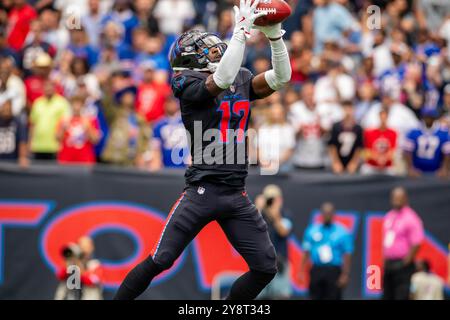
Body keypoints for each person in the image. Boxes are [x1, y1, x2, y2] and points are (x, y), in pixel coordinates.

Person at [114, 0, 292, 300]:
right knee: (162, 259)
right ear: (191, 58)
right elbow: (220, 80)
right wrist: (240, 34)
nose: (215, 49)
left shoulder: (243, 77)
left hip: (236, 192)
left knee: (265, 267)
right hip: (202, 190)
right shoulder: (186, 82)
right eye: (206, 48)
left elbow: (281, 77)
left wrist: (275, 37)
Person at [300, 202, 353, 300]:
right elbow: (306, 252)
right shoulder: (312, 230)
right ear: (321, 214)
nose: (327, 215)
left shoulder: (342, 232)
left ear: (333, 214)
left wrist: (345, 274)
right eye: (325, 213)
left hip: (333, 270)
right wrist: (301, 271)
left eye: (329, 213)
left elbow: (347, 254)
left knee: (333, 296)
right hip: (316, 269)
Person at [382, 187, 424, 300]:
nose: (396, 201)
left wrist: (406, 262)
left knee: (401, 295)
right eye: (394, 198)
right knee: (387, 295)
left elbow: (417, 242)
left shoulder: (411, 218)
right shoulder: (389, 216)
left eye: (399, 198)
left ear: (405, 199)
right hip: (389, 263)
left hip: (403, 265)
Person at [255, 185, 293, 299]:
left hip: (279, 263)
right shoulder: (259, 215)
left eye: (274, 199)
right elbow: (251, 230)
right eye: (269, 200)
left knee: (281, 296)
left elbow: (283, 232)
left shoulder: (285, 214)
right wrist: (258, 209)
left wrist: (276, 216)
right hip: (261, 263)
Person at [29, 80, 71, 161]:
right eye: (46, 86)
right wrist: (30, 142)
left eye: (50, 86)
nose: (48, 89)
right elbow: (33, 124)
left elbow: (66, 122)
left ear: (55, 88)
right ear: (43, 88)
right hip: (37, 146)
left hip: (55, 146)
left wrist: (60, 136)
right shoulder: (37, 102)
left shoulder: (62, 102)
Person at [403, 108, 450, 177]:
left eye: (430, 117)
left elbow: (448, 153)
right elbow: (407, 152)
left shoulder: (443, 132)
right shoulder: (414, 131)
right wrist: (410, 168)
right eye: (426, 117)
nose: (428, 119)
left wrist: (444, 168)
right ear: (422, 117)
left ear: (434, 118)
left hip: (436, 172)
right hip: (417, 172)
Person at [57, 96, 101, 165]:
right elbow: (57, 139)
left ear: (82, 105)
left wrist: (88, 128)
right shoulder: (64, 120)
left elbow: (95, 140)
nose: (76, 107)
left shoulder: (90, 120)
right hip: (66, 159)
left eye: (79, 104)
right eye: (74, 104)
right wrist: (62, 128)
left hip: (85, 160)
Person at [149, 96, 189, 170]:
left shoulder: (187, 122)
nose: (171, 105)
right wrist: (156, 160)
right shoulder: (159, 124)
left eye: (173, 102)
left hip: (185, 165)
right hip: (166, 165)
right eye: (168, 102)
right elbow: (155, 146)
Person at [257, 103, 296, 173]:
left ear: (283, 114)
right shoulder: (263, 128)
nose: (276, 116)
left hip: (283, 167)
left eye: (278, 113)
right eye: (274, 113)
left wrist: (276, 164)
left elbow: (290, 149)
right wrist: (263, 163)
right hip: (264, 166)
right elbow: (259, 148)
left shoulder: (288, 129)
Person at [328, 101, 363, 174]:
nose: (347, 112)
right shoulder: (336, 126)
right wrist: (336, 162)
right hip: (339, 160)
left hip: (351, 160)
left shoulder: (358, 128)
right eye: (345, 109)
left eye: (349, 109)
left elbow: (359, 147)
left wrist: (354, 162)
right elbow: (332, 145)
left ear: (353, 110)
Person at [361, 109, 398, 175]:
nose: (383, 120)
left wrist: (384, 158)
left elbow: (393, 151)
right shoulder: (369, 133)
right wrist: (377, 158)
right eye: (381, 117)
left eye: (385, 117)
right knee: (364, 170)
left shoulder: (393, 133)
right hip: (372, 165)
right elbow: (365, 152)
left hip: (387, 166)